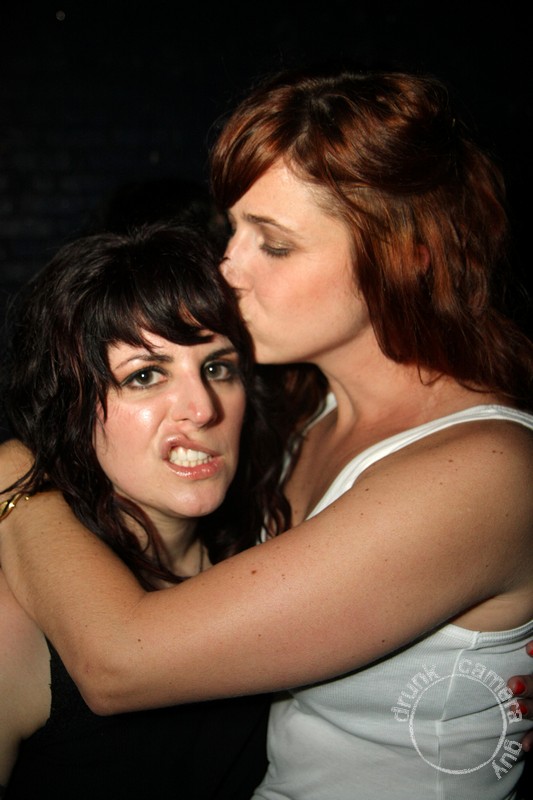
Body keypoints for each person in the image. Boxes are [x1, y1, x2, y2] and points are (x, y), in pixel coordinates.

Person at [1, 64, 533, 798]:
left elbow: (122, 661)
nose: (228, 269)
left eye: (273, 245)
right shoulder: (305, 417)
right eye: (235, 230)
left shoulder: (482, 468)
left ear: (407, 258)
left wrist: (15, 475)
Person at [0, 221, 291, 799]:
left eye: (218, 367)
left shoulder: (272, 557)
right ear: (71, 409)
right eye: (145, 375)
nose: (201, 408)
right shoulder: (17, 626)